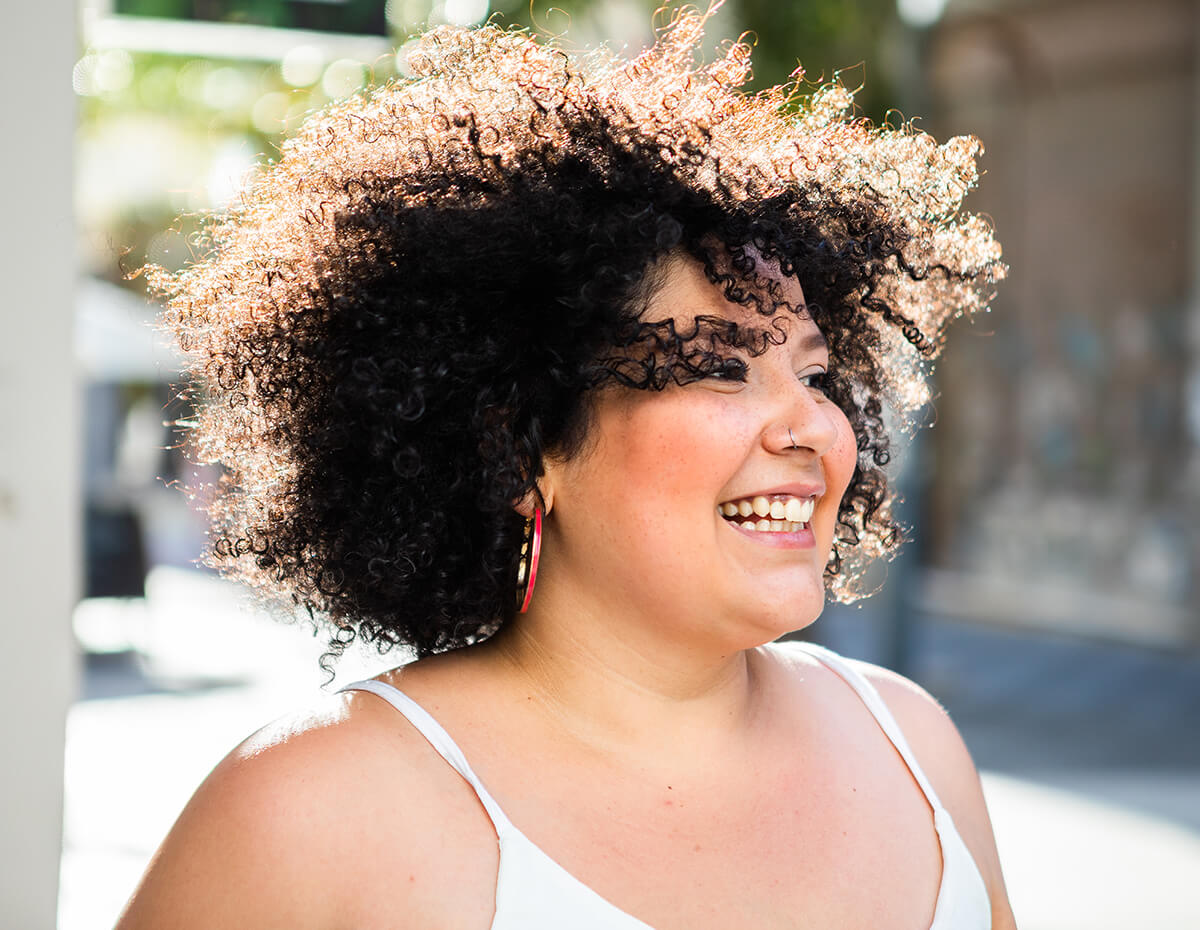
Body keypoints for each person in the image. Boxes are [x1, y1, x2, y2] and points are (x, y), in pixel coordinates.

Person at [118, 7, 1013, 928]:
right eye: (716, 367)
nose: (815, 428)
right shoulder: (315, 807)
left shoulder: (915, 746)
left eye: (817, 374)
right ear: (521, 445)